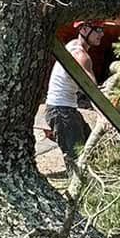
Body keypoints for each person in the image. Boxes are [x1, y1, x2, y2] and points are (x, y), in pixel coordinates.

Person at [43, 23, 96, 169]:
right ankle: (76, 186)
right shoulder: (81, 55)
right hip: (61, 111)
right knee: (77, 159)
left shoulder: (72, 44)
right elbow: (93, 91)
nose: (101, 34)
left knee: (91, 147)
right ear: (84, 29)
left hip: (67, 109)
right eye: (97, 30)